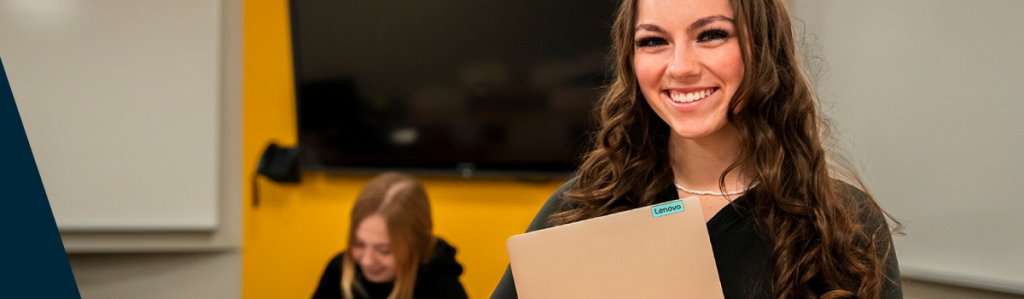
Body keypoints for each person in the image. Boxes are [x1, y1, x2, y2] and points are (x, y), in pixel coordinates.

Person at [490, 0, 902, 298]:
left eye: (712, 35)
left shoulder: (844, 223)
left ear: (763, 46)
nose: (681, 66)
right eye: (653, 41)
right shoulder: (579, 208)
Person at [313, 172, 469, 299]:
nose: (367, 261)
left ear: (416, 244)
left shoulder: (444, 287)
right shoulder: (338, 272)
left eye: (384, 250)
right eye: (358, 244)